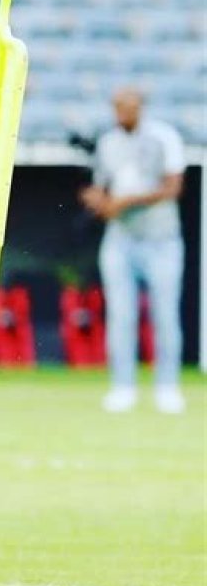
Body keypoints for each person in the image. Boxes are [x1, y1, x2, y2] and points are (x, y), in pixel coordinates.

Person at [79, 87, 186, 414]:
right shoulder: (107, 142)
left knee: (165, 315)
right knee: (121, 315)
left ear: (141, 107)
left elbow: (173, 188)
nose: (122, 112)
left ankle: (167, 387)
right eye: (117, 107)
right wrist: (97, 200)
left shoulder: (164, 137)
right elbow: (101, 186)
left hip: (161, 239)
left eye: (128, 107)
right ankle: (123, 387)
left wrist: (125, 202)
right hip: (120, 239)